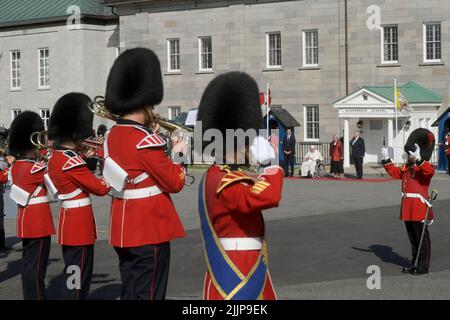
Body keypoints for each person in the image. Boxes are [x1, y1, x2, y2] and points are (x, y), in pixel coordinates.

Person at [103, 48, 186, 300]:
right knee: (150, 293)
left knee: (130, 290)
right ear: (146, 102)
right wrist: (179, 154)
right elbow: (174, 182)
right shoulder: (146, 140)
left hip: (123, 227)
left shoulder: (111, 135)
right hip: (148, 228)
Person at [197, 71, 283, 300]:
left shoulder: (215, 174)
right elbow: (266, 197)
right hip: (237, 269)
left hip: (241, 262)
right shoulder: (225, 179)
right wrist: (269, 166)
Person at [47, 93, 111, 299]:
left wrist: (87, 157)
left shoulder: (56, 158)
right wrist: (112, 174)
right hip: (79, 226)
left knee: (72, 274)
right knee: (79, 278)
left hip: (69, 223)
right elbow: (100, 188)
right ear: (75, 134)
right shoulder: (71, 162)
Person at [7, 111, 56, 299]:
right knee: (37, 268)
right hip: (38, 224)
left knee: (29, 265)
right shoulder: (35, 168)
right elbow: (57, 172)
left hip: (25, 221)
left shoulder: (17, 166)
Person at [381, 128, 435, 275]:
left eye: (411, 154)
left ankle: (423, 266)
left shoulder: (424, 168)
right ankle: (414, 262)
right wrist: (386, 159)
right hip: (408, 207)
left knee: (421, 238)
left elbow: (429, 171)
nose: (408, 155)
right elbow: (394, 173)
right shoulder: (407, 167)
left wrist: (419, 159)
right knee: (413, 238)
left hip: (419, 207)